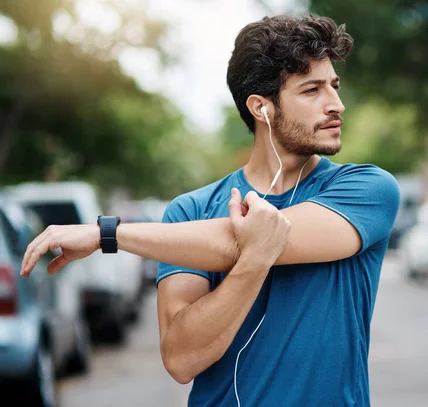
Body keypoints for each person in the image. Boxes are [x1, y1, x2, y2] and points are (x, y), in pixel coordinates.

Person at [20, 14, 400, 407]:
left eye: (334, 86)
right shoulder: (191, 210)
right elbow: (182, 360)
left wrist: (108, 234)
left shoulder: (367, 190)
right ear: (262, 108)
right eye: (312, 90)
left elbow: (266, 237)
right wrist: (253, 262)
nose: (336, 104)